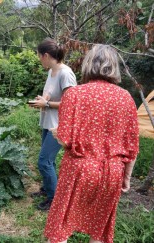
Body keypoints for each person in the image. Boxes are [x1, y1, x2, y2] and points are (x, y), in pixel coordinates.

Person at [44, 44, 139, 243]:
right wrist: (126, 178)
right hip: (112, 171)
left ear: (88, 64)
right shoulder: (126, 98)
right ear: (114, 67)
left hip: (79, 168)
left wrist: (57, 133)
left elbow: (63, 138)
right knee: (99, 228)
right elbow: (132, 146)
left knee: (61, 223)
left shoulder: (74, 94)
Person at [29, 38, 77, 211]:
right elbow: (51, 93)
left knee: (44, 162)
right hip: (48, 122)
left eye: (39, 56)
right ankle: (48, 188)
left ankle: (54, 199)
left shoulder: (66, 73)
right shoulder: (51, 71)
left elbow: (71, 103)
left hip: (59, 126)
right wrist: (44, 100)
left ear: (46, 55)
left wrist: (47, 104)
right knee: (48, 161)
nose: (39, 59)